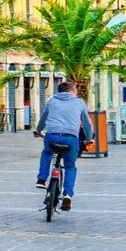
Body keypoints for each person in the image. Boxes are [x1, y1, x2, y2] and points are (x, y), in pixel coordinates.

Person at [35, 80, 95, 212]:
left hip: (51, 136)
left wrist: (38, 131)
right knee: (70, 166)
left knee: (47, 153)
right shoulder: (79, 102)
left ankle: (42, 179)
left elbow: (44, 118)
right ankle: (67, 195)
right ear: (71, 90)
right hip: (70, 139)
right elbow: (87, 124)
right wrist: (89, 139)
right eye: (75, 89)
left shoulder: (51, 100)